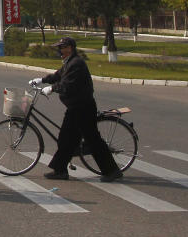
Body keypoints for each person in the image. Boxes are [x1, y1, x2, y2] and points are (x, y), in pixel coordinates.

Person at [32, 36, 123, 182]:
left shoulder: (76, 64)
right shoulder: (69, 63)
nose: (59, 50)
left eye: (62, 47)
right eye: (59, 48)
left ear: (70, 48)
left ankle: (112, 171)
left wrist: (52, 88)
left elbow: (67, 85)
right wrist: (42, 80)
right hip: (76, 108)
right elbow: (58, 75)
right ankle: (60, 170)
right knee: (66, 139)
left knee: (92, 140)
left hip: (83, 108)